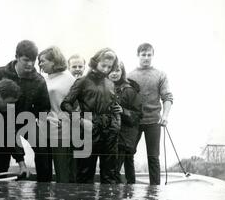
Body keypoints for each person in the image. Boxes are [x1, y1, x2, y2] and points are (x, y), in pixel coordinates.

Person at [0, 40, 52, 182]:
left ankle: (44, 188)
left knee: (42, 148)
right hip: (2, 121)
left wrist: (36, 119)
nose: (30, 64)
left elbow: (44, 107)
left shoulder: (39, 80)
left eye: (33, 60)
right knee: (2, 151)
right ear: (17, 57)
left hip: (26, 120)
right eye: (26, 60)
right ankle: (0, 192)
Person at [61, 48, 122, 184]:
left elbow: (112, 104)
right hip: (88, 129)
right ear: (95, 63)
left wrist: (117, 117)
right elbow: (65, 104)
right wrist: (81, 121)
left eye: (109, 67)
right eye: (103, 65)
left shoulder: (110, 83)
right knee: (85, 173)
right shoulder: (83, 81)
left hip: (110, 131)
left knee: (109, 174)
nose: (106, 69)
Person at [128, 43, 173, 185]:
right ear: (138, 55)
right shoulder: (130, 75)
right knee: (128, 153)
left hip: (153, 122)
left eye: (149, 54)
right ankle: (130, 186)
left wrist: (165, 116)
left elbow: (168, 97)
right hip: (134, 122)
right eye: (143, 54)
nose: (146, 57)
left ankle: (155, 191)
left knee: (153, 157)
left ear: (152, 55)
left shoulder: (160, 75)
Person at [38, 46, 76, 183]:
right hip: (44, 127)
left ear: (54, 61)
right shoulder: (45, 79)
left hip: (62, 128)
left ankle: (65, 199)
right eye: (39, 61)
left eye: (43, 61)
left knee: (63, 168)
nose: (40, 64)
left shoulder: (68, 79)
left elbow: (75, 105)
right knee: (45, 168)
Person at [109, 61, 142, 184]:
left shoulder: (129, 90)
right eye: (111, 70)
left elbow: (138, 114)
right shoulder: (105, 87)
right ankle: (125, 197)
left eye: (117, 70)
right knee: (123, 165)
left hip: (124, 136)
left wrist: (124, 111)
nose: (114, 73)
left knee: (115, 169)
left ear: (122, 72)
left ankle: (118, 198)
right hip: (111, 133)